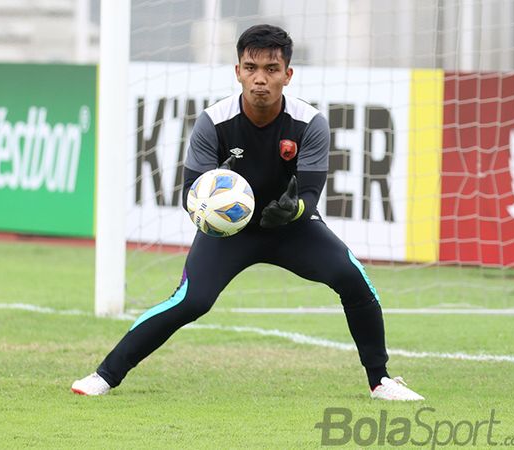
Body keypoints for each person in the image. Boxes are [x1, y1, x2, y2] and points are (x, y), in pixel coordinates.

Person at [72, 24, 423, 401]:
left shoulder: (310, 123)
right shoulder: (213, 122)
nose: (260, 79)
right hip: (229, 232)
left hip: (291, 227)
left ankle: (380, 380)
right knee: (191, 301)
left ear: (288, 75)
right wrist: (214, 210)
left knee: (353, 278)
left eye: (271, 69)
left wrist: (294, 210)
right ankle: (105, 375)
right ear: (237, 71)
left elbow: (309, 196)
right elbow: (192, 194)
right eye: (251, 67)